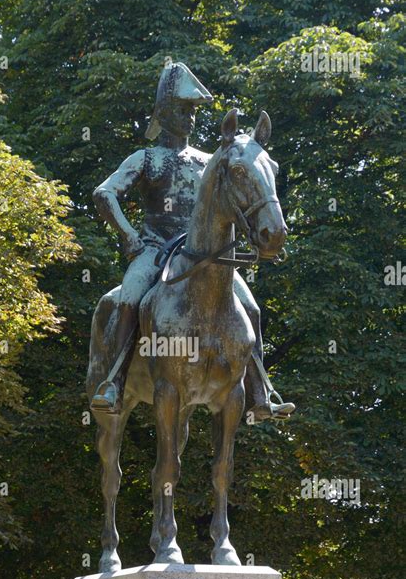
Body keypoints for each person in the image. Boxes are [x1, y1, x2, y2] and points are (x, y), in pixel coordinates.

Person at [90, 62, 295, 421]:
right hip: (155, 250)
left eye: (194, 111)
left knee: (251, 308)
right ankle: (114, 382)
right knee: (129, 297)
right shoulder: (147, 158)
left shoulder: (209, 161)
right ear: (164, 112)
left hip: (200, 252)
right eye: (183, 110)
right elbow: (104, 193)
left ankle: (261, 391)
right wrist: (130, 236)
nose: (191, 118)